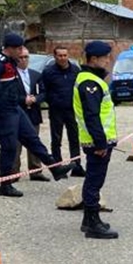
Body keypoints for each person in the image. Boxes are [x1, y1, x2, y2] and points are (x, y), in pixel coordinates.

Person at [0, 33, 68, 198]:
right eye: (19, 48)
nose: (21, 52)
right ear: (11, 49)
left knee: (32, 139)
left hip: (14, 108)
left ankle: (55, 168)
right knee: (9, 147)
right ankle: (5, 184)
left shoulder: (10, 62)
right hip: (3, 111)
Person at [74, 40, 119, 240]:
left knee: (94, 179)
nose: (108, 61)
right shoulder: (89, 83)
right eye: (105, 58)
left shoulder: (92, 80)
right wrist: (101, 142)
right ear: (94, 59)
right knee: (94, 181)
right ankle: (93, 223)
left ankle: (88, 220)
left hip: (96, 140)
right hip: (96, 142)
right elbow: (92, 116)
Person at [41, 45, 84, 177]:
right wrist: (52, 101)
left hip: (71, 110)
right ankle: (58, 167)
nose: (63, 58)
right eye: (60, 55)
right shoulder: (48, 72)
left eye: (65, 55)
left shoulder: (76, 71)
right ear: (55, 57)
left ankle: (76, 165)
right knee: (56, 139)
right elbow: (44, 90)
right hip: (56, 110)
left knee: (74, 138)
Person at [10, 52, 47, 182]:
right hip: (18, 112)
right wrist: (23, 100)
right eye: (20, 57)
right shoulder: (11, 75)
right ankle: (14, 172)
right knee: (16, 144)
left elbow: (44, 92)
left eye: (26, 57)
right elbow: (9, 95)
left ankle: (36, 171)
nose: (24, 60)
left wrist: (36, 99)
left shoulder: (36, 74)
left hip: (33, 113)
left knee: (34, 141)